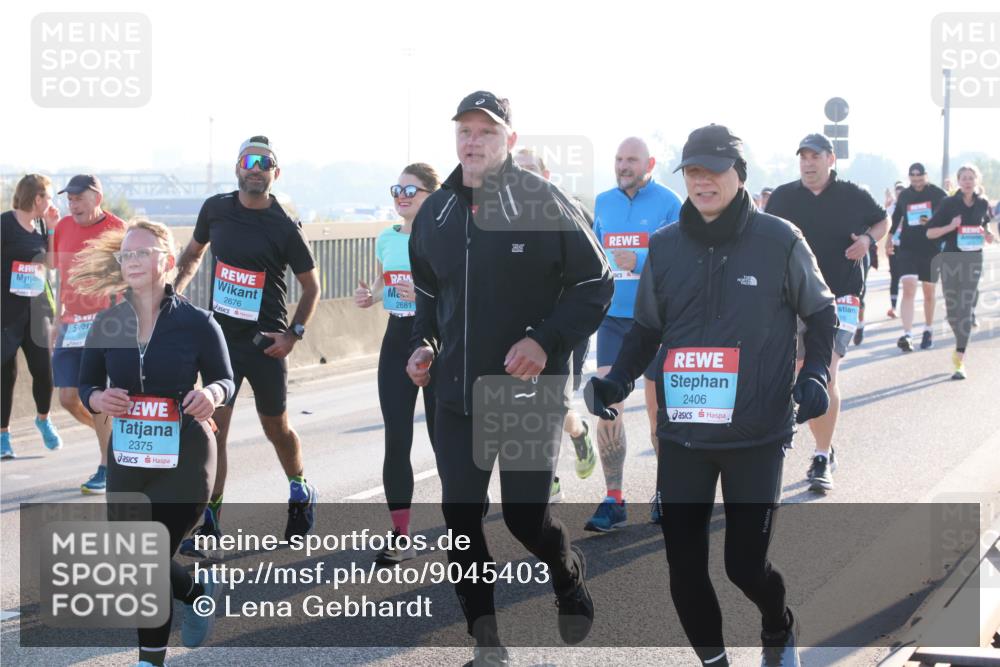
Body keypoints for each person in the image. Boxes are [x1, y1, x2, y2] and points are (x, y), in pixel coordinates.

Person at [586, 124, 836, 667]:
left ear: (738, 175)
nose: (702, 182)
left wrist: (815, 373)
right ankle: (715, 662)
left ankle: (778, 625)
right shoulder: (667, 246)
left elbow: (821, 313)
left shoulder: (780, 240)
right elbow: (647, 330)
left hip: (756, 432)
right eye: (693, 172)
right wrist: (616, 381)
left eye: (713, 171)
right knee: (684, 567)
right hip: (684, 434)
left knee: (745, 566)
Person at [406, 91, 612, 666]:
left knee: (524, 517)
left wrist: (543, 341)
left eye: (486, 132)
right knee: (460, 515)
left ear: (510, 142)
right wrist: (424, 345)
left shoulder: (544, 201)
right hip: (453, 395)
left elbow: (597, 285)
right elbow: (427, 294)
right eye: (465, 131)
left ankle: (566, 571)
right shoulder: (437, 213)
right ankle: (487, 640)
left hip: (525, 393)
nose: (473, 141)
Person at [74, 219, 234, 667]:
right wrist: (98, 397)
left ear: (166, 260)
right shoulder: (107, 322)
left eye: (143, 253)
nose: (133, 261)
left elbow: (226, 379)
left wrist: (211, 394)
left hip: (185, 453)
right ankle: (196, 592)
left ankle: (150, 661)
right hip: (128, 456)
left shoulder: (198, 323)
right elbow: (86, 384)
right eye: (127, 254)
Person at [174, 136, 321, 548]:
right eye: (248, 160)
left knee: (276, 428)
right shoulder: (215, 209)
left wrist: (293, 335)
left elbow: (312, 288)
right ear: (237, 167)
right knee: (214, 429)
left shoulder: (283, 225)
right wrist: (174, 292)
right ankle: (210, 520)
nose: (255, 167)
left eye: (264, 162)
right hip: (220, 340)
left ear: (275, 172)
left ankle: (299, 490)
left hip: (265, 345)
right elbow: (191, 256)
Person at [765, 133, 888, 493]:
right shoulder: (784, 197)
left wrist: (867, 241)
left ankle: (820, 457)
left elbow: (882, 221)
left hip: (841, 298)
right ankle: (827, 446)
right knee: (802, 372)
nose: (808, 162)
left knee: (826, 375)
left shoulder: (853, 194)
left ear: (830, 159)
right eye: (802, 156)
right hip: (796, 299)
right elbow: (764, 235)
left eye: (815, 156)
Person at [587, 136, 682, 531]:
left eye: (632, 160)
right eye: (619, 159)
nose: (623, 165)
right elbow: (593, 249)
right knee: (607, 402)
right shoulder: (604, 202)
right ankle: (614, 498)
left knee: (658, 409)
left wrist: (640, 258)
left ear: (650, 163)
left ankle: (664, 491)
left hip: (656, 320)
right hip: (613, 318)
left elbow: (681, 256)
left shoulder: (669, 202)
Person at [354, 163, 440, 564]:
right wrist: (370, 295)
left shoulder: (445, 237)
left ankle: (463, 525)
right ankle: (401, 534)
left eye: (412, 190)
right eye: (397, 189)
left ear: (432, 195)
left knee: (445, 441)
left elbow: (458, 291)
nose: (402, 196)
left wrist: (422, 293)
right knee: (397, 438)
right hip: (396, 337)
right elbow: (383, 277)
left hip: (437, 340)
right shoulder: (386, 238)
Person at [513, 147, 598, 502]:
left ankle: (577, 438)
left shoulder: (569, 212)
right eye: (516, 171)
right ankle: (545, 478)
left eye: (530, 170)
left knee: (553, 404)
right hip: (524, 330)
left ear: (546, 177)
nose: (522, 177)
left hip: (565, 330)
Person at [50, 175, 126, 492]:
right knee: (68, 397)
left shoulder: (118, 228)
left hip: (105, 323)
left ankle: (107, 467)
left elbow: (128, 276)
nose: (73, 204)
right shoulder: (63, 228)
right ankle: (113, 442)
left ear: (97, 197)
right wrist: (56, 319)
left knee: (99, 397)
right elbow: (60, 276)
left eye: (79, 197)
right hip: (70, 323)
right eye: (70, 198)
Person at [1, 174, 62, 458]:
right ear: (36, 198)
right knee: (5, 374)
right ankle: (3, 436)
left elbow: (51, 264)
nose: (51, 203)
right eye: (48, 197)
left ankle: (43, 418)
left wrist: (51, 229)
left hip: (37, 312)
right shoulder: (5, 225)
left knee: (44, 371)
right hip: (7, 313)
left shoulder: (40, 225)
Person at [926, 164, 996, 379]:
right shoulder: (948, 204)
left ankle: (960, 358)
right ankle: (959, 342)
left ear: (977, 180)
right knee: (952, 313)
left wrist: (989, 236)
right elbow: (929, 232)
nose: (967, 181)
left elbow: (986, 228)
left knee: (964, 310)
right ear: (958, 181)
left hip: (973, 259)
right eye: (963, 178)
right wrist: (951, 226)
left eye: (970, 177)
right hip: (950, 260)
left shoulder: (983, 203)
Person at [887, 163, 947, 352]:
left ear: (926, 176)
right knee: (909, 287)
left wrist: (934, 222)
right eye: (913, 180)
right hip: (907, 247)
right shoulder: (905, 195)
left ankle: (928, 329)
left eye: (920, 180)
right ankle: (907, 334)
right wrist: (889, 239)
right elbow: (896, 218)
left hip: (930, 248)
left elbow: (947, 215)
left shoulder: (937, 194)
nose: (917, 184)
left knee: (929, 292)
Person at [885, 182, 905, 318]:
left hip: (908, 245)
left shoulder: (911, 206)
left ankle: (907, 303)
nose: (899, 192)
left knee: (908, 277)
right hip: (894, 245)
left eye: (902, 190)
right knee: (895, 277)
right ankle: (893, 306)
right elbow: (886, 226)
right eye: (897, 190)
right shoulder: (891, 208)